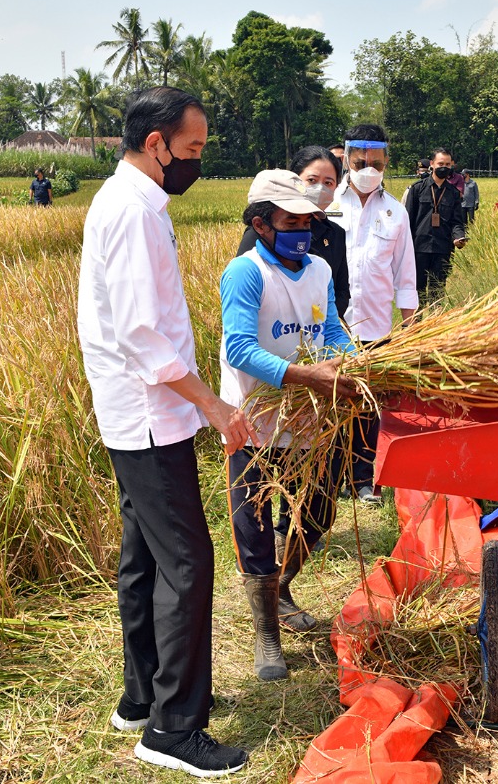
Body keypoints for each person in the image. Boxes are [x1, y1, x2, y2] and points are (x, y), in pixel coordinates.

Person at [77, 86, 255, 778]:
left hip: (136, 412)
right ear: (156, 144)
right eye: (192, 148)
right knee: (187, 561)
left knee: (147, 557)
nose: (196, 162)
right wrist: (214, 405)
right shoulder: (133, 211)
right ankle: (174, 727)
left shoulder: (133, 200)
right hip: (149, 415)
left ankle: (143, 695)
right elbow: (143, 333)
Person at [220, 169, 358, 680]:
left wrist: (347, 360)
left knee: (317, 511)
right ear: (260, 225)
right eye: (290, 222)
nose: (302, 231)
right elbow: (239, 348)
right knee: (253, 525)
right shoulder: (246, 272)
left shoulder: (318, 268)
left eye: (307, 222)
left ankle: (279, 589)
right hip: (254, 419)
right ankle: (267, 636)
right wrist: (306, 376)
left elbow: (330, 328)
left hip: (309, 416)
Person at [326, 124, 418, 504]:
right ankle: (329, 476)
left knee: (368, 406)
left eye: (376, 163)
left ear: (386, 162)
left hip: (376, 327)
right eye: (361, 161)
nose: (369, 169)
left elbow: (405, 276)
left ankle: (363, 479)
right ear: (347, 158)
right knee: (331, 404)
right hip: (330, 326)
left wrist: (411, 327)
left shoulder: (396, 212)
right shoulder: (328, 204)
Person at [237, 146, 349, 321]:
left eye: (328, 183)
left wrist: (322, 321)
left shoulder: (336, 234)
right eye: (312, 180)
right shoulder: (262, 234)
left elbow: (341, 291)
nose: (320, 188)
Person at [405, 147, 468, 303]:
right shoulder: (417, 189)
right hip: (419, 248)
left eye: (447, 164)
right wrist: (405, 248)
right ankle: (417, 318)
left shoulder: (453, 193)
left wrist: (458, 237)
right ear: (432, 164)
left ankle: (436, 317)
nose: (444, 167)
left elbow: (457, 222)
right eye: (440, 164)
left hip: (443, 248)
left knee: (437, 290)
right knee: (417, 289)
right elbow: (407, 221)